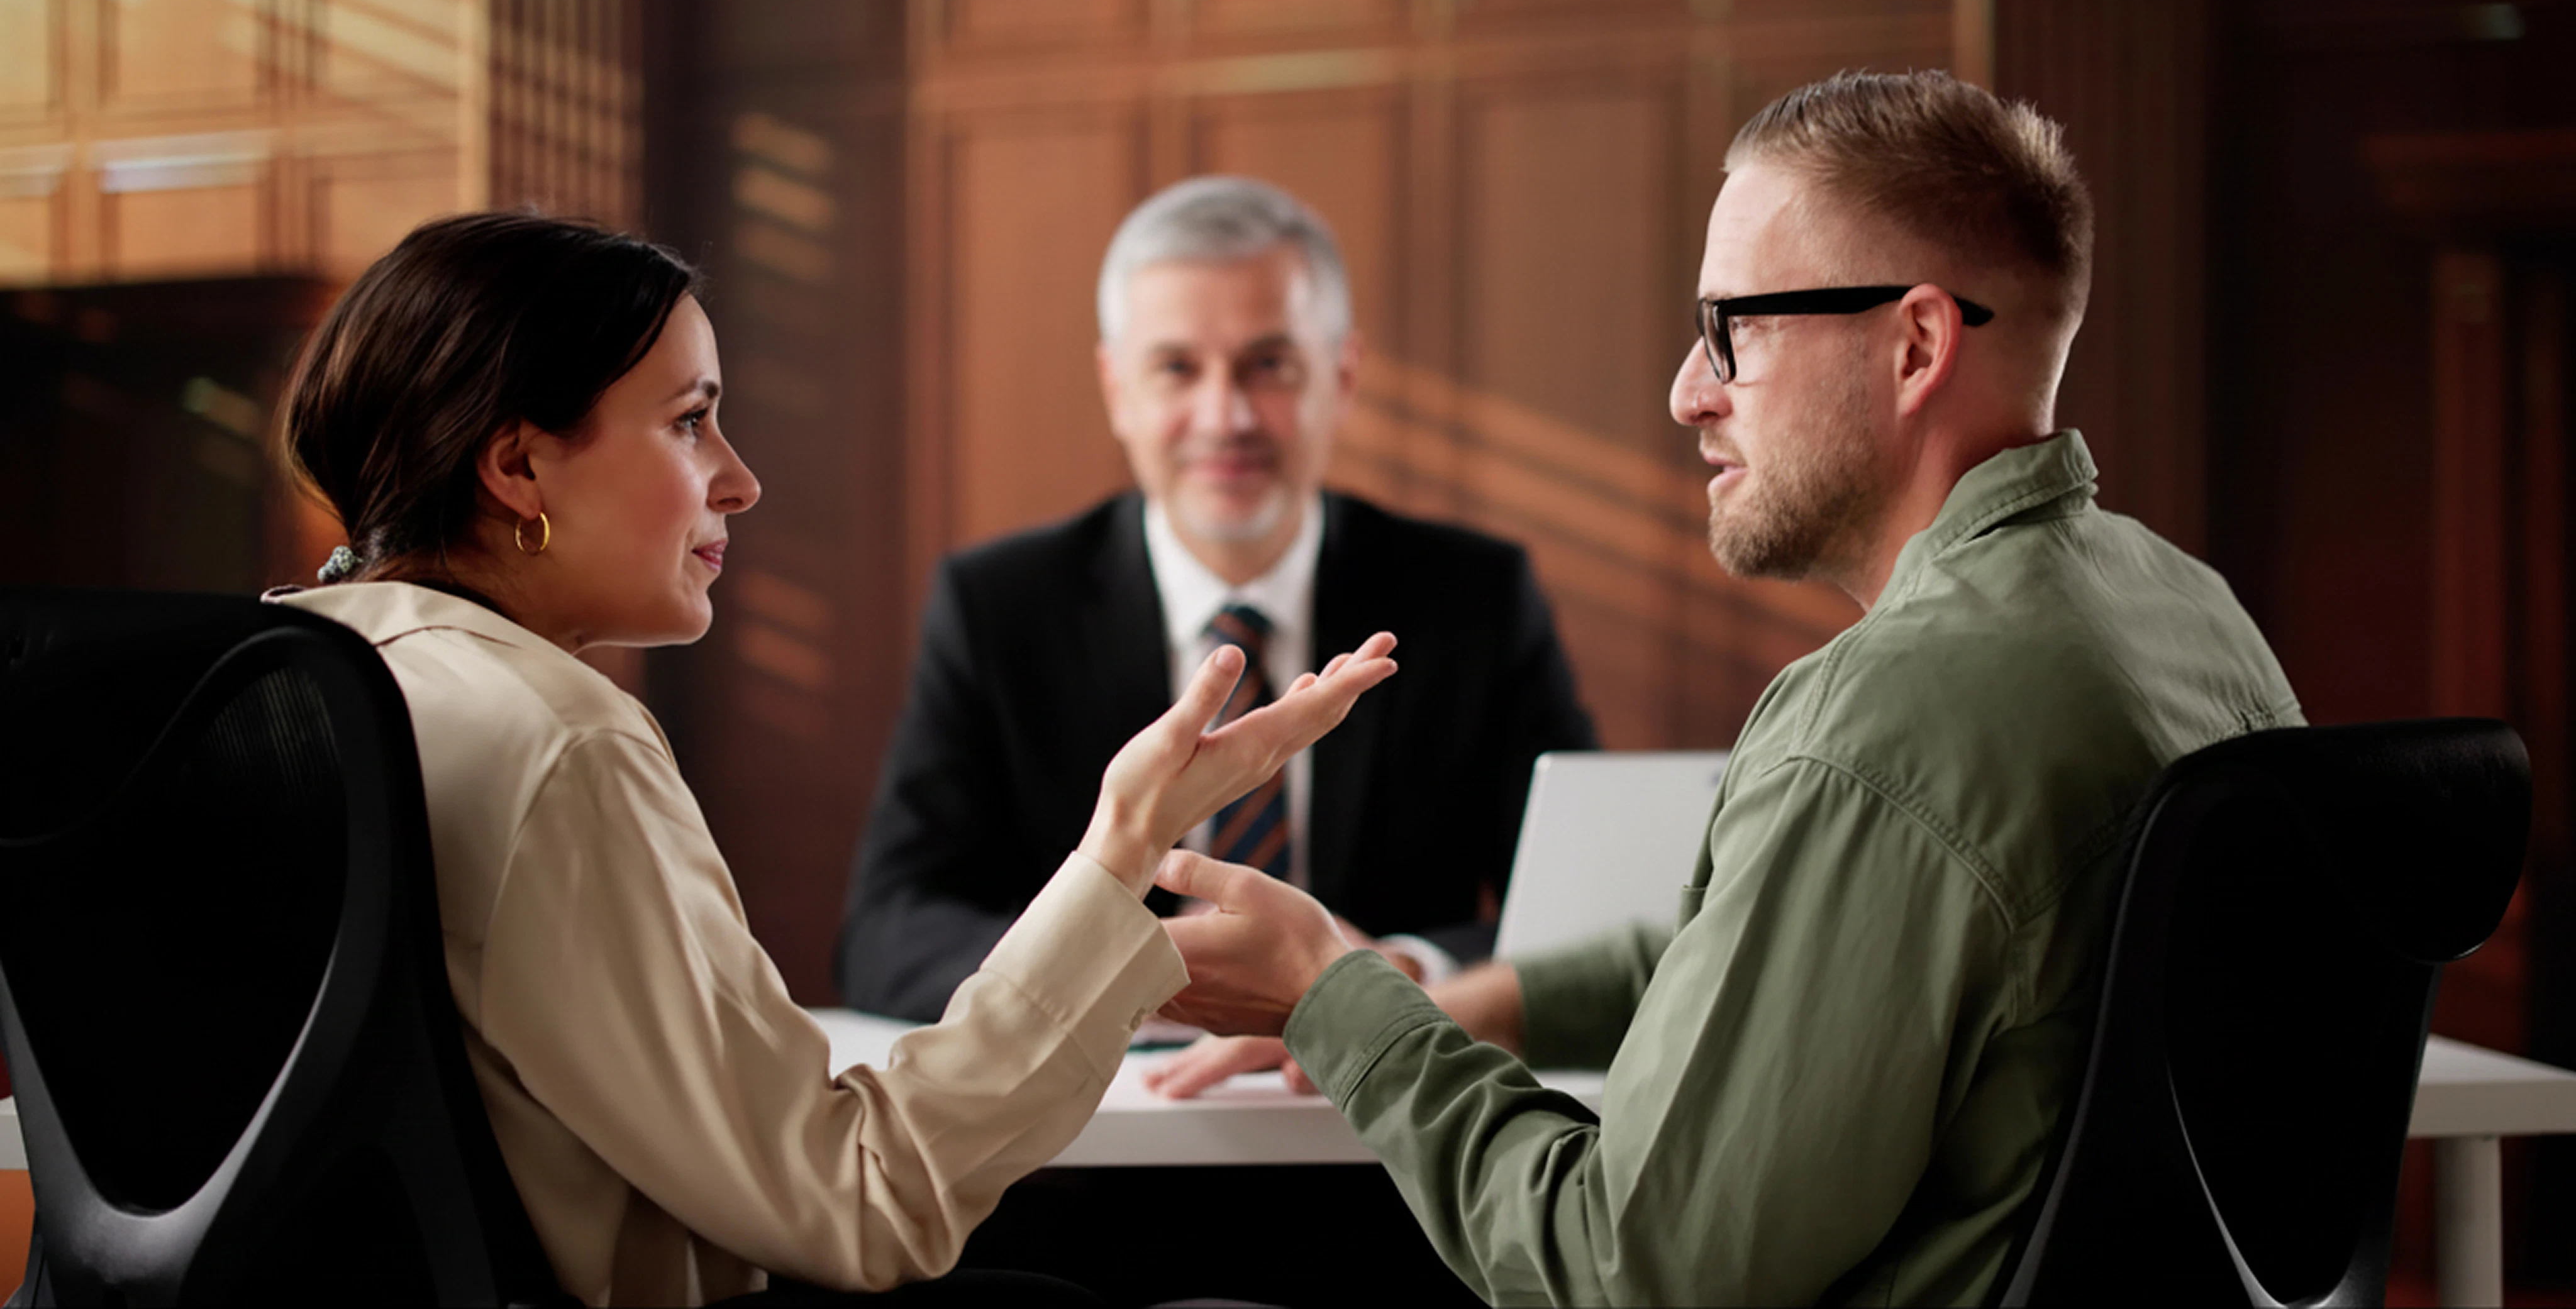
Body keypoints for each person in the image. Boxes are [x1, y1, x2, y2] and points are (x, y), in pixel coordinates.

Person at [1149, 71, 2307, 1305]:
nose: (1686, 392)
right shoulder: (2191, 616)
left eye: (1731, 331)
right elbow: (1832, 962)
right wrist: (1474, 997)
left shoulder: (1884, 725)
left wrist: (1336, 1006)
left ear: (1914, 344)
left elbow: (1623, 1268)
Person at [267, 211, 1397, 1307]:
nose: (739, 479)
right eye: (688, 422)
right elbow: (858, 1202)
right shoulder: (558, 742)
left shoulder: (275, 681)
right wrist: (1124, 850)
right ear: (518, 468)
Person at [835, 175, 1597, 1055]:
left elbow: (1582, 912)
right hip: (1102, 1151)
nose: (1225, 416)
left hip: (1390, 1144)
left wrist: (1400, 972)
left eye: (1268, 366)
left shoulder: (1475, 598)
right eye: (1177, 370)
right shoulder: (999, 607)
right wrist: (1143, 971)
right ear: (1118, 388)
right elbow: (888, 933)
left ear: (1342, 379)